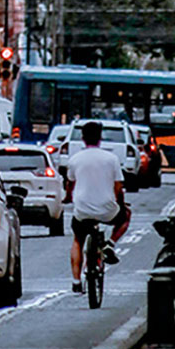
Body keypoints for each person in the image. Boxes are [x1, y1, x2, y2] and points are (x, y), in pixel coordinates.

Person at [64, 121, 130, 295]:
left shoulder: (75, 159)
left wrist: (69, 197)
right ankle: (111, 243)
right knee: (126, 216)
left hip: (82, 210)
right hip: (107, 209)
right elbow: (118, 188)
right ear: (100, 138)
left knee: (78, 239)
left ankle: (76, 281)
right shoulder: (111, 159)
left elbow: (70, 184)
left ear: (83, 138)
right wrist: (120, 204)